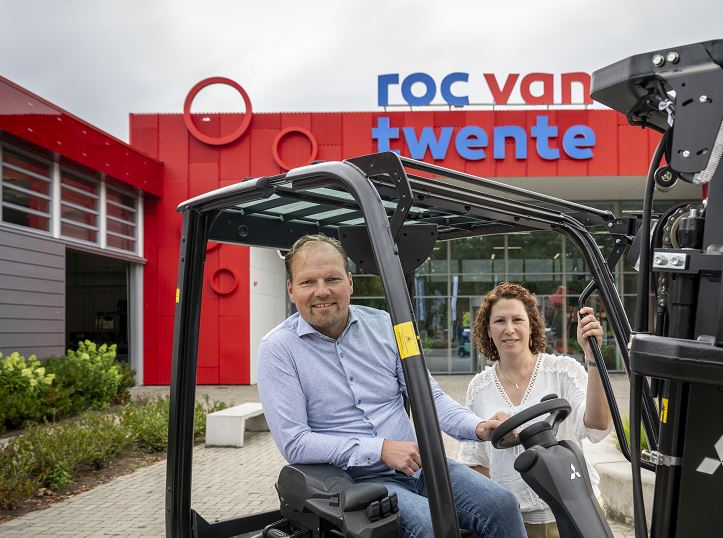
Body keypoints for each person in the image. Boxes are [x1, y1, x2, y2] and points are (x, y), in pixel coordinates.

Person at [258, 234, 526, 538]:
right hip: (359, 483)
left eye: (332, 279)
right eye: (308, 282)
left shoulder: (387, 325)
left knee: (502, 504)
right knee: (433, 528)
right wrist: (379, 449)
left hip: (422, 466)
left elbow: (428, 397)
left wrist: (478, 427)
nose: (322, 291)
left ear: (350, 283)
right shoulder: (278, 349)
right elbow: (295, 442)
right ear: (291, 290)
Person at [457, 282, 612, 538]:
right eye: (500, 321)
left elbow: (598, 423)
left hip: (577, 510)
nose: (509, 329)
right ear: (488, 330)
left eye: (517, 319)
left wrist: (593, 357)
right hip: (516, 525)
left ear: (531, 325)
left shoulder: (562, 371)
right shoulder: (479, 387)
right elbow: (475, 462)